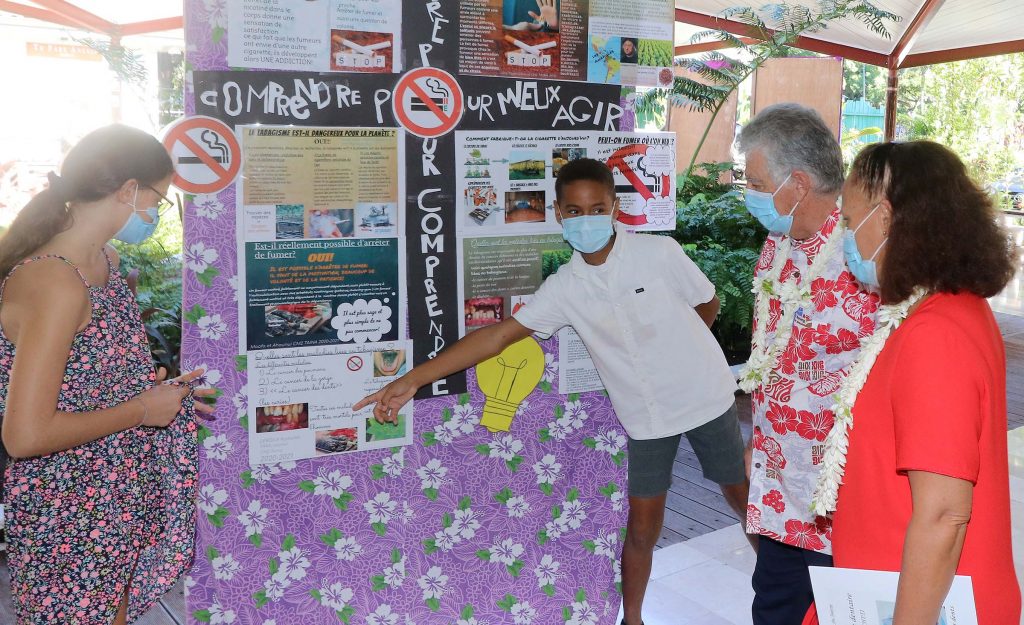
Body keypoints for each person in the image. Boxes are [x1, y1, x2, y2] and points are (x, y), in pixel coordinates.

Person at [355, 158, 749, 625]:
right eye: (576, 211)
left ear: (615, 208)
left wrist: (682, 354)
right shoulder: (565, 288)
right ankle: (634, 619)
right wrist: (413, 378)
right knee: (642, 527)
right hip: (646, 418)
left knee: (742, 497)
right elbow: (498, 337)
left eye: (597, 208)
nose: (587, 219)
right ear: (560, 215)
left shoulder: (659, 254)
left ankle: (789, 585)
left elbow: (708, 302)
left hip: (706, 397)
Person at [0, 124, 216, 625]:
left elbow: (86, 378)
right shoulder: (56, 281)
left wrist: (154, 392)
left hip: (113, 492)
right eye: (157, 200)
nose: (154, 214)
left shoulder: (105, 261)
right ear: (127, 192)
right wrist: (143, 409)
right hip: (70, 504)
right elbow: (26, 435)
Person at [804, 141, 1020, 624]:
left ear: (884, 219)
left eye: (848, 220)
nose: (845, 236)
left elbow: (944, 515)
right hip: (892, 589)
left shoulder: (935, 332)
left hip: (918, 605)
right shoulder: (944, 309)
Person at [735, 103, 879, 624]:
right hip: (779, 483)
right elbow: (769, 354)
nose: (748, 192)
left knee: (839, 612)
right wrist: (758, 438)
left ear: (796, 183)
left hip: (841, 492)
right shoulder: (776, 246)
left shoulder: (864, 250)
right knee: (773, 605)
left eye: (754, 180)